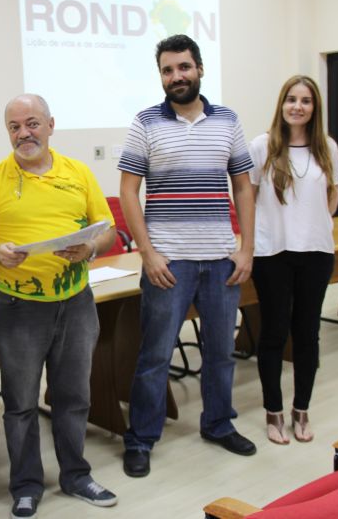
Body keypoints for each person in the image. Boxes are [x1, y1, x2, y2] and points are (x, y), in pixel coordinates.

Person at [0, 94, 118, 519]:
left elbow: (107, 231)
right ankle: (27, 485)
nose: (23, 133)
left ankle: (76, 475)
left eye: (32, 123)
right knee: (21, 404)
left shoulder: (78, 173)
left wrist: (90, 248)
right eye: (14, 127)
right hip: (18, 308)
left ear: (50, 125)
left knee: (74, 396)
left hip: (76, 302)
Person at [118, 34, 258, 477]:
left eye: (183, 67)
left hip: (220, 260)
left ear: (199, 69)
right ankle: (141, 438)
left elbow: (243, 187)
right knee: (155, 355)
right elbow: (128, 191)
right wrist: (148, 254)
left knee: (220, 351)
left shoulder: (227, 121)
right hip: (169, 262)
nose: (176, 76)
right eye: (167, 70)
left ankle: (218, 424)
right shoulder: (146, 122)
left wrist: (247, 248)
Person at [249, 75, 338, 445]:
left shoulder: (327, 147)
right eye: (291, 99)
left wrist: (314, 224)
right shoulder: (262, 146)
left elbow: (332, 194)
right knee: (274, 332)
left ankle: (301, 409)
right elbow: (247, 197)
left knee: (307, 334)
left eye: (305, 101)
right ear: (282, 104)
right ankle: (273, 411)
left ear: (314, 108)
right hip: (272, 253)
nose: (297, 107)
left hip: (316, 253)